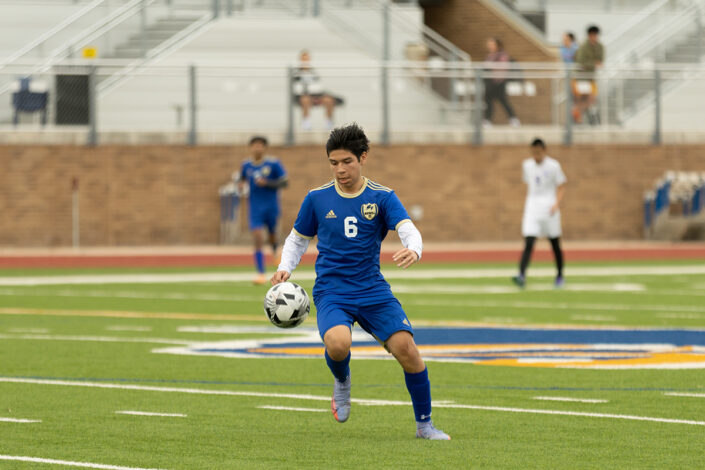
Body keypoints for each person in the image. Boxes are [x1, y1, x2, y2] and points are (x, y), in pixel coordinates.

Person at [270, 123, 450, 440]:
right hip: (332, 291)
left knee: (407, 349)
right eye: (334, 163)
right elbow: (297, 239)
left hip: (372, 289)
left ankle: (425, 425)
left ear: (363, 158)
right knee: (339, 345)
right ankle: (342, 381)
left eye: (347, 162)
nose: (340, 169)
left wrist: (415, 248)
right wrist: (286, 267)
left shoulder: (381, 196)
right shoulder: (316, 198)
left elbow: (407, 227)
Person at [512, 138, 567, 289]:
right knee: (529, 242)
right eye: (533, 152)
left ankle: (560, 276)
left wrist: (556, 204)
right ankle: (521, 275)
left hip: (549, 209)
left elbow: (561, 186)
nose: (536, 155)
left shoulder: (554, 166)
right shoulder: (527, 165)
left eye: (539, 152)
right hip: (533, 209)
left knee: (555, 243)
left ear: (544, 150)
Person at [237, 136, 288, 285]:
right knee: (258, 237)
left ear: (265, 148)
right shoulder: (246, 165)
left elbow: (285, 182)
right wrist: (240, 185)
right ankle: (260, 273)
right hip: (255, 208)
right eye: (254, 145)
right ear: (250, 148)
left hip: (271, 206)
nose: (257, 148)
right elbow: (242, 179)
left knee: (272, 235)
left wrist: (268, 183)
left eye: (260, 145)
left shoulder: (273, 163)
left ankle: (274, 251)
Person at [293, 50, 343, 131]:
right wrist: (308, 92)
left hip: (316, 95)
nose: (306, 62)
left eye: (307, 59)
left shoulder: (314, 72)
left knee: (328, 99)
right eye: (304, 59)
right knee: (305, 99)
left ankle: (329, 122)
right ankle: (306, 123)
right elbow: (297, 89)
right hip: (303, 96)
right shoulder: (296, 73)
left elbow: (318, 86)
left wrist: (317, 95)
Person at [483, 37, 520, 128]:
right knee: (488, 101)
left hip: (499, 82)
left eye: (492, 44)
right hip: (490, 82)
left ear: (497, 45)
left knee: (503, 101)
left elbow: (503, 68)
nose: (490, 46)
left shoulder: (502, 55)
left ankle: (513, 119)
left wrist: (493, 71)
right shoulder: (490, 56)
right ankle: (487, 120)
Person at [572, 25, 604, 125]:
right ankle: (578, 116)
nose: (594, 37)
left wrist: (592, 64)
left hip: (591, 78)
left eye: (596, 35)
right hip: (581, 77)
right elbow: (581, 62)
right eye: (593, 35)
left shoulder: (600, 47)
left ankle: (577, 113)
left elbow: (600, 61)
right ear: (589, 35)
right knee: (583, 99)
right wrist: (593, 63)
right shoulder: (583, 46)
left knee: (592, 98)